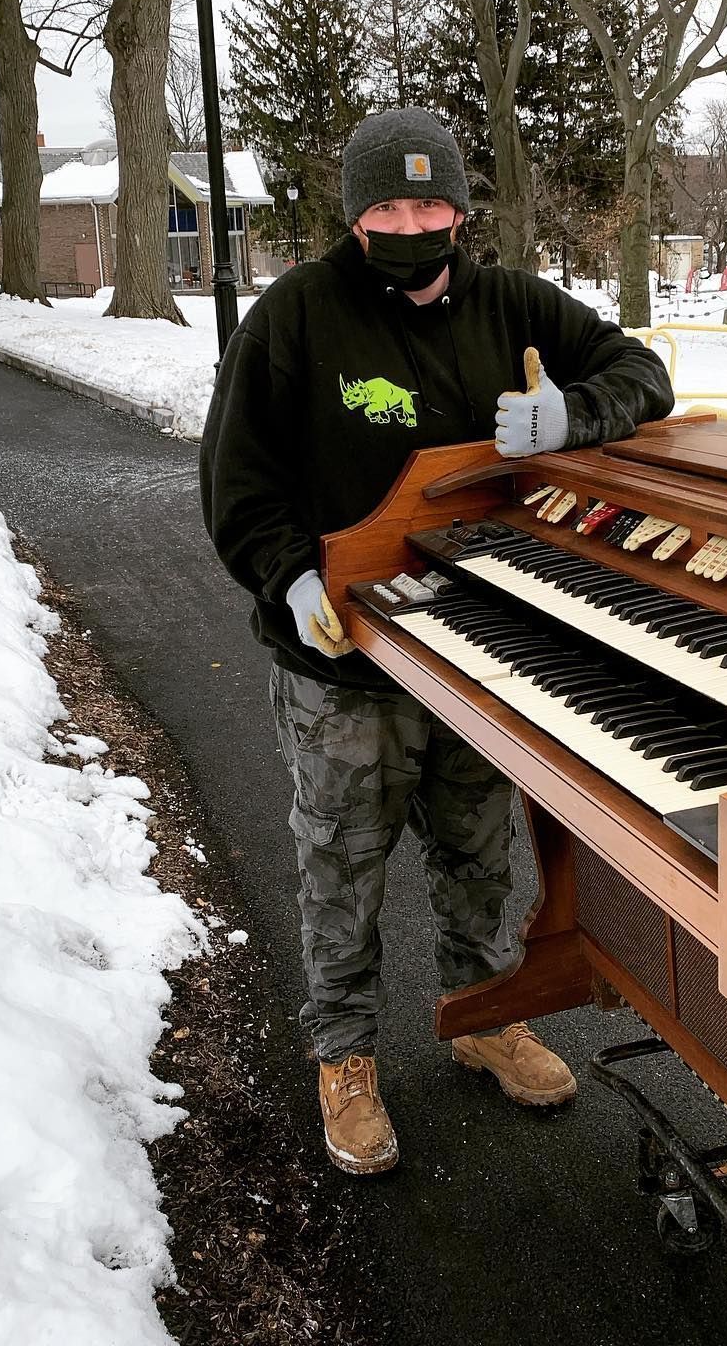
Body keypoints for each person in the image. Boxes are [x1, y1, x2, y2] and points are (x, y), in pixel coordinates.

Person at [201, 107, 673, 1176]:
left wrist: (575, 416)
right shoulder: (294, 318)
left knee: (477, 849)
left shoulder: (513, 305)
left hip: (479, 644)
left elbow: (643, 371)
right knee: (342, 863)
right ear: (356, 216)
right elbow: (236, 483)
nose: (412, 221)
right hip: (345, 654)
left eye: (430, 202)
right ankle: (345, 1055)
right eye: (389, 204)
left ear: (459, 210)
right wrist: (291, 576)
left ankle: (479, 1016)